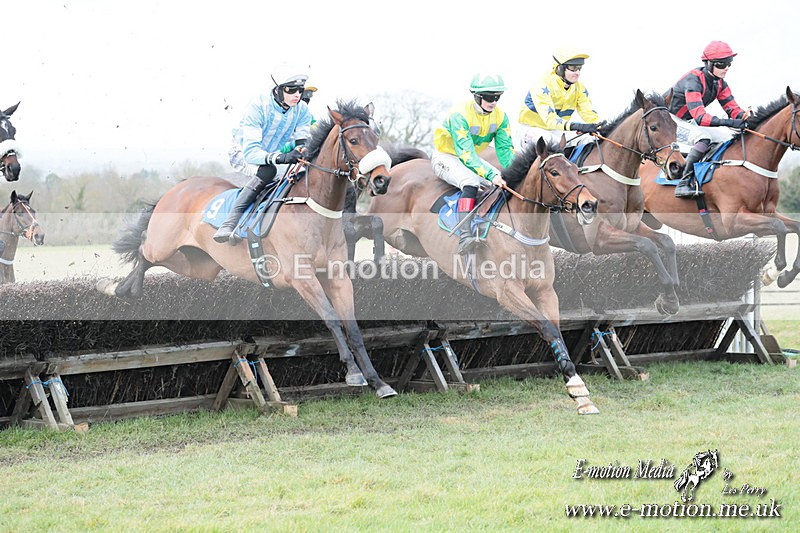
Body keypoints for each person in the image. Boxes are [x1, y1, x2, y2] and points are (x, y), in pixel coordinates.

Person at [214, 66, 313, 244]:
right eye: (291, 90)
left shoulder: (302, 110)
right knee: (268, 171)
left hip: (275, 154)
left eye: (300, 90)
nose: (297, 95)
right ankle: (230, 223)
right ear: (278, 89)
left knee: (304, 172)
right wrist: (281, 157)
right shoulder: (258, 106)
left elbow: (301, 143)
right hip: (244, 153)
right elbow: (252, 152)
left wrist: (301, 152)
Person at [431, 73, 514, 255]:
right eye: (489, 97)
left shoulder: (501, 117)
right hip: (446, 156)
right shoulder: (459, 115)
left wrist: (517, 173)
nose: (493, 102)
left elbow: (505, 150)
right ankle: (465, 234)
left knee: (505, 184)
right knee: (471, 182)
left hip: (470, 159)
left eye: (497, 97)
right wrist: (492, 176)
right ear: (477, 96)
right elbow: (466, 154)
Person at [668, 40, 752, 199]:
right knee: (703, 138)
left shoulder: (720, 83)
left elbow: (732, 108)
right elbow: (700, 117)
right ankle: (683, 184)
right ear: (708, 63)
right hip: (670, 121)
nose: (726, 67)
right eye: (721, 64)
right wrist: (729, 122)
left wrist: (745, 117)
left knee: (728, 138)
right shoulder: (693, 80)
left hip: (689, 121)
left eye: (729, 63)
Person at [516, 49, 604, 152]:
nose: (578, 73)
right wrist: (577, 126)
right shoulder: (542, 85)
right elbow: (550, 120)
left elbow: (588, 113)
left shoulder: (580, 88)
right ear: (560, 68)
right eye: (573, 68)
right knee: (552, 142)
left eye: (579, 68)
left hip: (556, 131)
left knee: (591, 139)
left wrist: (602, 127)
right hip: (531, 129)